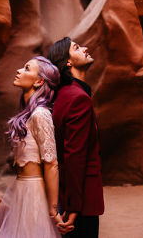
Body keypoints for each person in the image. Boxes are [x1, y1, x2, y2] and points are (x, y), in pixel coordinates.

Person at [0, 56, 64, 237]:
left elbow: (51, 163)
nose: (18, 71)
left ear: (39, 81)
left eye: (26, 68)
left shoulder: (41, 114)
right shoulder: (28, 114)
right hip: (20, 188)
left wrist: (53, 209)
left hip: (33, 192)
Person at [46, 37, 104, 237]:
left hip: (68, 194)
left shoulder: (62, 95)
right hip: (81, 201)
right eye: (77, 48)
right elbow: (75, 156)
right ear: (68, 62)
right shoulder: (78, 98)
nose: (85, 48)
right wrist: (73, 207)